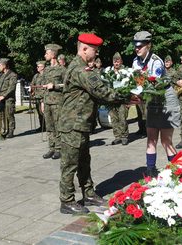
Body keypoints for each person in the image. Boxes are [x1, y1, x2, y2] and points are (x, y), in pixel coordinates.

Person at [58, 33, 127, 214]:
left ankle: (88, 193)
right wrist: (125, 96)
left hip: (80, 123)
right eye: (95, 50)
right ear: (84, 48)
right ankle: (66, 201)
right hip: (72, 124)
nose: (96, 53)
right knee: (70, 164)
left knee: (83, 161)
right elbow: (100, 91)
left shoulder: (81, 67)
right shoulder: (80, 70)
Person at [132, 31, 180, 177]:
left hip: (165, 99)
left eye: (140, 46)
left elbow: (154, 85)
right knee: (151, 138)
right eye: (135, 46)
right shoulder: (135, 62)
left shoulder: (156, 61)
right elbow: (138, 83)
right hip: (152, 99)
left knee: (166, 141)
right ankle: (150, 171)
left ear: (148, 45)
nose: (137, 48)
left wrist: (138, 93)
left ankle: (177, 172)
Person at [42, 44, 66, 160]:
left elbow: (67, 85)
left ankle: (59, 148)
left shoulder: (62, 70)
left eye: (47, 53)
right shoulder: (46, 70)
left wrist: (55, 86)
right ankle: (51, 148)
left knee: (58, 125)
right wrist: (42, 101)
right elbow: (43, 86)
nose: (45, 55)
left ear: (53, 54)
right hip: (47, 101)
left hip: (57, 102)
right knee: (49, 126)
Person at [107, 52, 129, 145]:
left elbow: (129, 84)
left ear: (121, 61)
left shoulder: (125, 71)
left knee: (122, 117)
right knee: (113, 118)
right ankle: (117, 136)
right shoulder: (109, 71)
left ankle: (124, 136)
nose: (116, 63)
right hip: (112, 99)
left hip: (122, 98)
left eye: (118, 61)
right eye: (114, 61)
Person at [0, 58, 17, 138]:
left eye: (0, 65)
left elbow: (11, 88)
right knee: (2, 115)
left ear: (4, 66)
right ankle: (4, 130)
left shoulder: (12, 75)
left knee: (9, 114)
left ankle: (11, 130)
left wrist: (3, 96)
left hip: (8, 98)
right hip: (0, 98)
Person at [31, 61, 46, 132]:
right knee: (39, 113)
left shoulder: (46, 76)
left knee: (45, 113)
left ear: (42, 67)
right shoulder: (36, 76)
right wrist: (32, 90)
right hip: (37, 97)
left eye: (38, 66)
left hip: (44, 97)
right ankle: (42, 127)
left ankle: (48, 127)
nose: (37, 68)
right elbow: (32, 84)